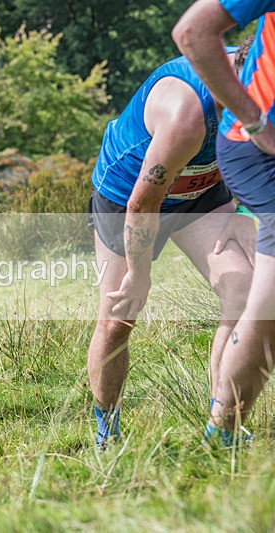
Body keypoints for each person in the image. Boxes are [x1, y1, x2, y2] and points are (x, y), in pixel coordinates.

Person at [86, 45, 257, 448]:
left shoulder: (260, 81)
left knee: (244, 289)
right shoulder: (185, 112)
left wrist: (242, 210)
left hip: (203, 190)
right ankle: (106, 431)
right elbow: (143, 203)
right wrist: (140, 274)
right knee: (118, 318)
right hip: (129, 195)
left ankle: (223, 428)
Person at [174, 0, 275, 446]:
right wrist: (255, 121)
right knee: (268, 303)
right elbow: (194, 32)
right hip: (258, 149)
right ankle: (222, 433)